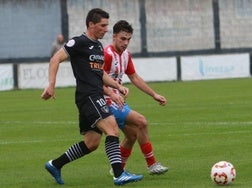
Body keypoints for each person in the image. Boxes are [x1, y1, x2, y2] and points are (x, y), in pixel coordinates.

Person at [41, 9, 143, 186]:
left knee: (92, 143)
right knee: (112, 129)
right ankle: (119, 174)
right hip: (88, 96)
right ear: (91, 24)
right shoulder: (79, 42)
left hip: (95, 94)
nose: (106, 29)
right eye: (103, 25)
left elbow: (99, 74)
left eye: (107, 25)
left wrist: (117, 87)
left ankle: (55, 164)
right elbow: (55, 59)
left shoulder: (97, 46)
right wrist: (51, 84)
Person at [103, 20, 169, 175]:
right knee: (141, 121)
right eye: (122, 39)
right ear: (114, 37)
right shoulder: (107, 55)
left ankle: (118, 169)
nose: (126, 43)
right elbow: (98, 79)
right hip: (106, 101)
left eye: (128, 39)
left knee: (132, 135)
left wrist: (154, 94)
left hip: (118, 100)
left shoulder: (126, 55)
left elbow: (134, 77)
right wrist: (113, 94)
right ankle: (152, 164)